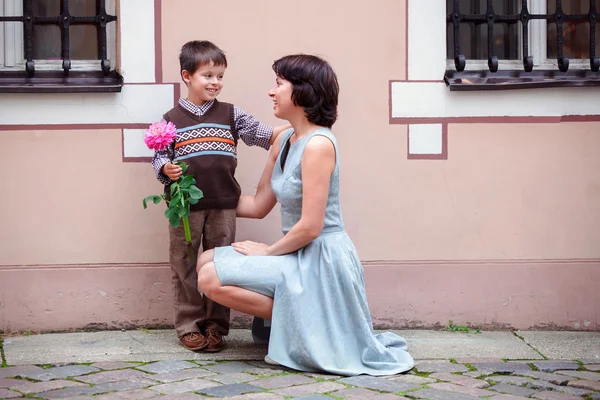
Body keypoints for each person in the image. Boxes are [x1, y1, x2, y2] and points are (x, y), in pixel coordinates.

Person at [196, 54, 414, 375]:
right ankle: (308, 320)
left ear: (302, 91)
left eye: (279, 84)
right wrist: (197, 196)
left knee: (210, 277)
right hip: (295, 254)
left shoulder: (319, 145)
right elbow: (257, 205)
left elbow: (311, 227)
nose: (271, 92)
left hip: (321, 260)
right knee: (205, 259)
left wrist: (267, 252)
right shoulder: (285, 139)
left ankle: (317, 322)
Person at [151, 40, 289, 353]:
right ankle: (189, 326)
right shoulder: (169, 120)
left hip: (224, 206)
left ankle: (216, 327)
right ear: (187, 76)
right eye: (208, 76)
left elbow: (264, 134)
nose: (216, 82)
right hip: (184, 207)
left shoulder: (230, 114)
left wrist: (300, 125)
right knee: (184, 265)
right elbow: (159, 157)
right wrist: (167, 169)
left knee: (222, 265)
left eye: (220, 76)